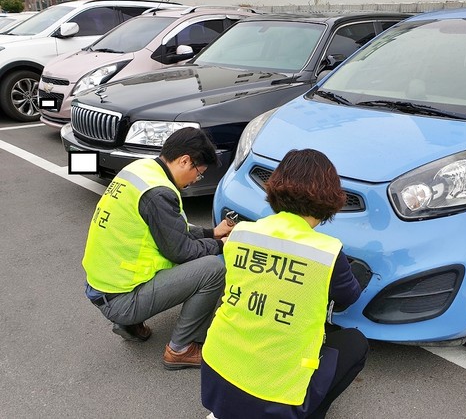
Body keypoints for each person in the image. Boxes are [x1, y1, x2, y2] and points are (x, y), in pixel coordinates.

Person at [201, 149, 369, 418]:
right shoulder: (327, 251)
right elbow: (349, 296)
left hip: (215, 373)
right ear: (330, 197)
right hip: (274, 397)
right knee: (355, 343)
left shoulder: (242, 233)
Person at [82, 127, 233, 370]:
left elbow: (171, 227)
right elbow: (181, 251)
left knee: (198, 255)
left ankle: (129, 324)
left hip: (102, 286)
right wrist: (220, 244)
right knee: (214, 269)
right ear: (185, 160)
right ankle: (181, 349)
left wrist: (211, 232)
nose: (196, 180)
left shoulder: (140, 171)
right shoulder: (159, 193)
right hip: (120, 300)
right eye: (199, 173)